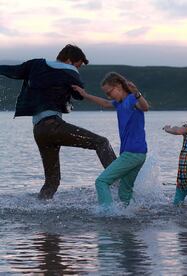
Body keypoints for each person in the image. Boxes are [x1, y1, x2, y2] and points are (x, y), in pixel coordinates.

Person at [0, 44, 116, 199]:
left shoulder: (35, 64)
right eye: (78, 65)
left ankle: (39, 208)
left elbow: (12, 71)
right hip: (54, 126)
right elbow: (79, 95)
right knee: (102, 143)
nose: (78, 69)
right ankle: (122, 186)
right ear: (69, 60)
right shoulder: (69, 71)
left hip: (39, 131)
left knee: (52, 181)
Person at [72, 72, 149, 208]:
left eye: (109, 92)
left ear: (118, 86)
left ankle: (107, 215)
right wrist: (85, 95)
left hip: (132, 153)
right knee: (124, 193)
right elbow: (105, 103)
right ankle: (134, 216)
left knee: (101, 182)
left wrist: (137, 92)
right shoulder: (120, 103)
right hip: (139, 154)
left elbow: (145, 107)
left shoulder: (132, 99)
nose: (109, 96)